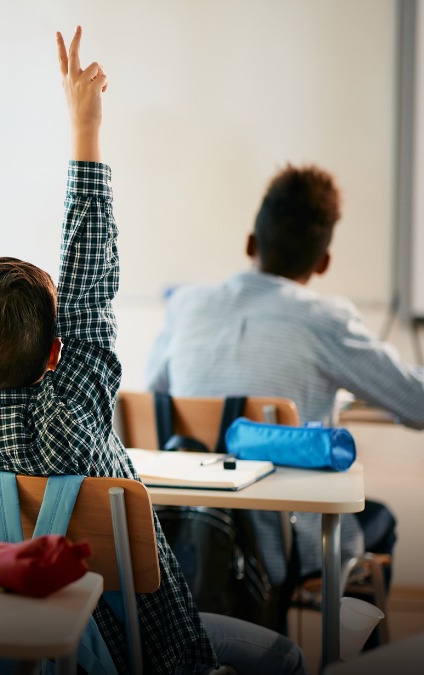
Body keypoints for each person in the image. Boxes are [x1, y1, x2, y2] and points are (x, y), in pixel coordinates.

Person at [0, 27, 306, 675]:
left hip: (6, 658)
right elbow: (89, 274)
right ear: (57, 354)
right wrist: (85, 128)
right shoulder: (78, 416)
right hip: (144, 659)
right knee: (287, 657)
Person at [145, 164, 417, 618]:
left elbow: (152, 401)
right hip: (285, 550)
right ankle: (349, 655)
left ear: (251, 242)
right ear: (323, 262)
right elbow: (415, 402)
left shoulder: (185, 306)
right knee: (379, 519)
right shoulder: (326, 320)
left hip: (185, 539)